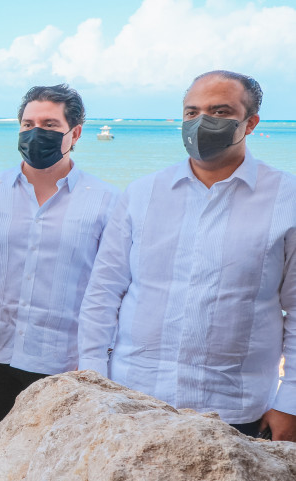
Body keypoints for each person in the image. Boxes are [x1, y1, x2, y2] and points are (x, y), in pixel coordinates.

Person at [79, 70, 296, 441]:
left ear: (250, 123)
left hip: (235, 409)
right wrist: (93, 379)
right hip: (134, 400)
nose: (201, 122)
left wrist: (289, 401)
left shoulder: (286, 200)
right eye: (192, 112)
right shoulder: (142, 194)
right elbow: (103, 293)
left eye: (220, 111)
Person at [0, 85, 119, 460]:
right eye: (28, 124)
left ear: (75, 133)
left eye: (49, 124)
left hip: (64, 361)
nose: (36, 133)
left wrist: (95, 359)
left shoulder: (106, 201)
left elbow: (109, 288)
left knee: (53, 464)